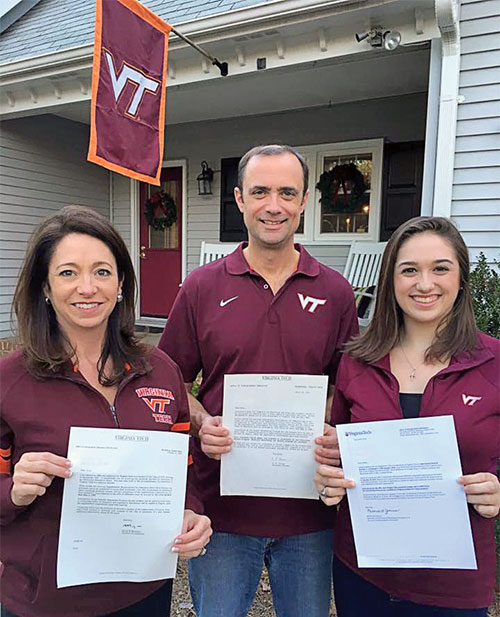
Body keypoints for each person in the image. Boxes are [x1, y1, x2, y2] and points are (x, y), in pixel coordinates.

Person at [159, 144, 359, 617]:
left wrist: (332, 428)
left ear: (305, 200)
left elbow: (347, 389)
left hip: (309, 509)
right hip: (223, 508)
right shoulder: (202, 287)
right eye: (261, 191)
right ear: (239, 199)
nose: (274, 205)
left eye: (287, 192)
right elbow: (167, 385)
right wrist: (202, 421)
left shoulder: (335, 292)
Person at [0, 206, 212, 617]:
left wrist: (192, 512)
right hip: (46, 600)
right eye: (67, 273)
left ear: (120, 285)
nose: (87, 287)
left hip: (143, 591)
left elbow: (181, 468)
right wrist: (14, 490)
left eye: (101, 271)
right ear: (45, 287)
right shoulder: (9, 381)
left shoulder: (161, 370)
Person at [315, 216, 500, 617]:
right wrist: (329, 479)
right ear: (391, 280)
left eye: (440, 269)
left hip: (454, 586)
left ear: (462, 278)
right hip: (363, 574)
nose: (424, 284)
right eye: (409, 270)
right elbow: (340, 454)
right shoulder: (356, 362)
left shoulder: (495, 362)